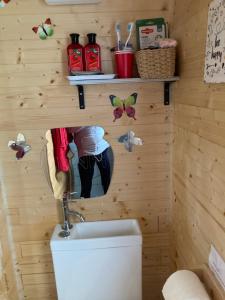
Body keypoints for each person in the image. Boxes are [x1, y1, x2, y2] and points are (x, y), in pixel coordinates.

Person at [67, 126, 111, 198]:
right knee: (106, 180)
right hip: (101, 143)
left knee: (86, 186)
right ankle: (110, 201)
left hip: (86, 149)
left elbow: (70, 129)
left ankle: (85, 203)